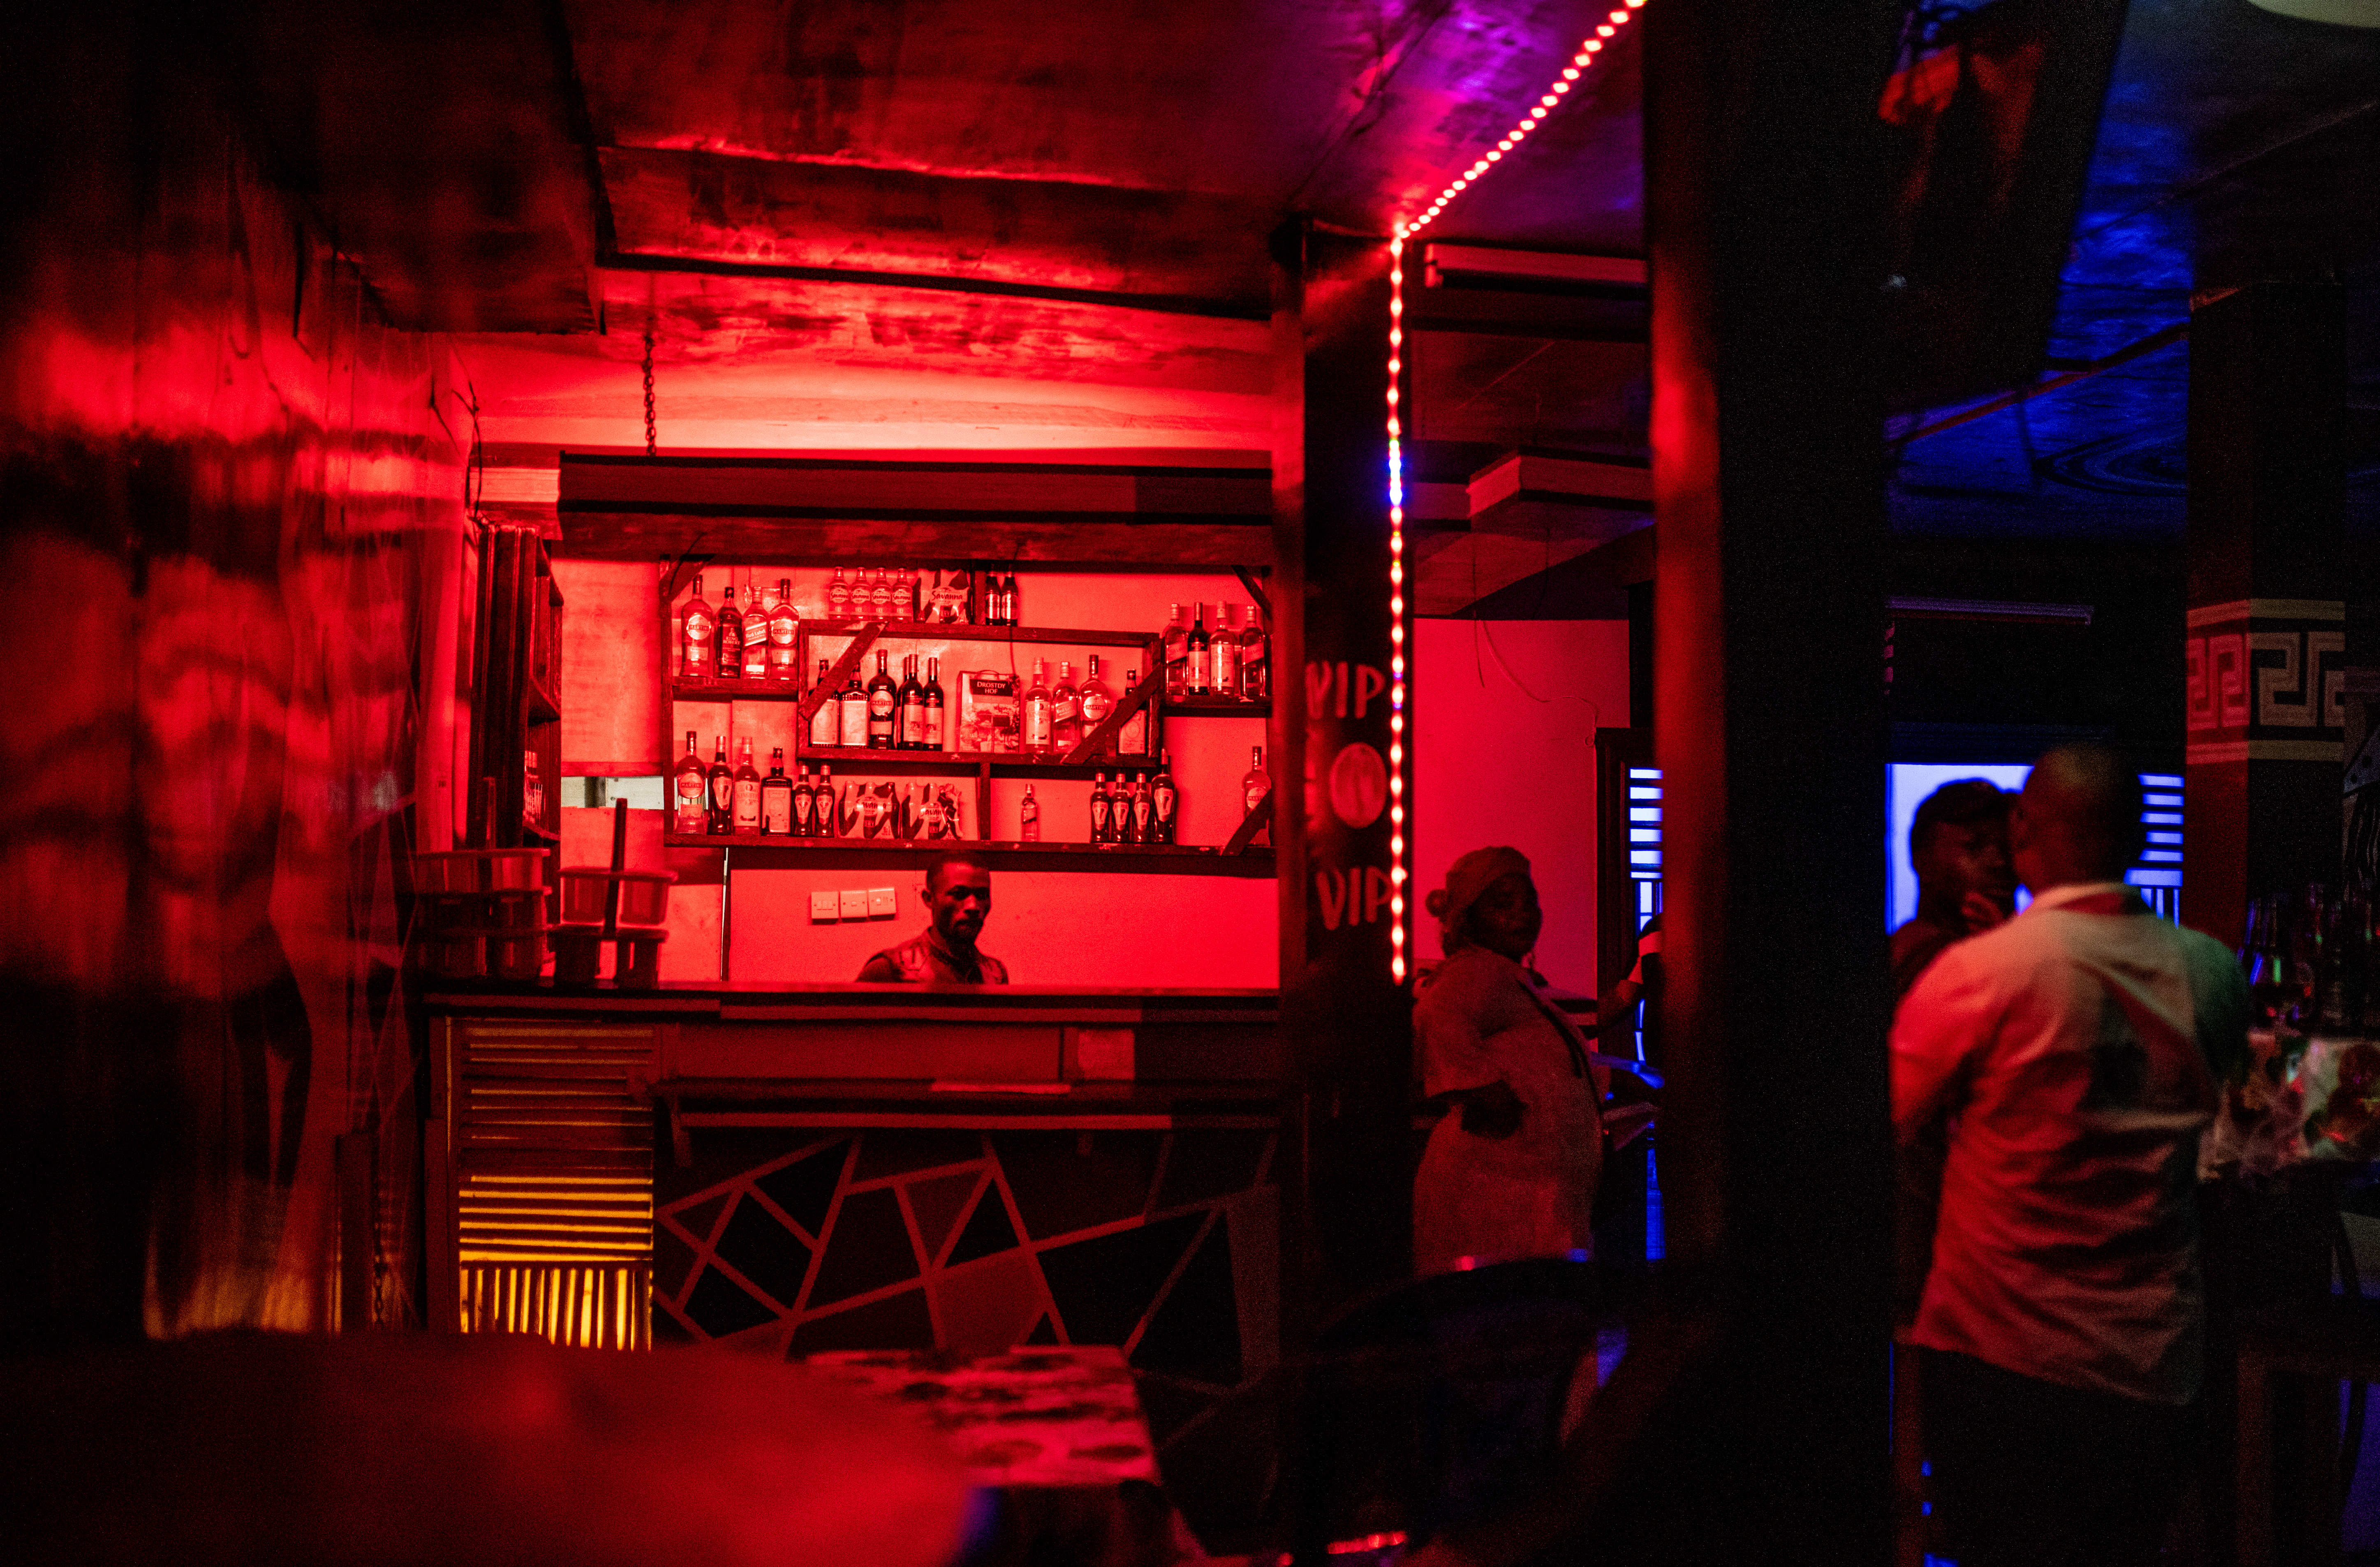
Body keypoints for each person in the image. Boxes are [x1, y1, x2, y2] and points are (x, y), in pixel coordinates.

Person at [1892, 744, 2248, 1567]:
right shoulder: (2210, 970)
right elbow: (2233, 1147)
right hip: (2152, 1357)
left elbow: (1882, 1117)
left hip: (2000, 1352)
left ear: (2023, 829)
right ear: (2139, 837)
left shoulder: (1980, 971)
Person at [1413, 847, 1608, 1276]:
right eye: (1502, 903)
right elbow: (1437, 1012)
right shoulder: (1474, 972)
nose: (1521, 914)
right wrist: (1480, 1087)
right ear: (1468, 918)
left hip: (1523, 1191)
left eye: (1528, 901)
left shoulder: (1509, 978)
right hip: (1494, 1191)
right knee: (1500, 1306)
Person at [1890, 777, 2017, 999]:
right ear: (1924, 861)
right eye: (1974, 846)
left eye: (2008, 847)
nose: (2001, 863)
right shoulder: (1927, 960)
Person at [856, 851, 1008, 984]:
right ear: (929, 899)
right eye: (959, 894)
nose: (973, 906)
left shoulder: (995, 973)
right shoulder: (890, 970)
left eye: (982, 895)